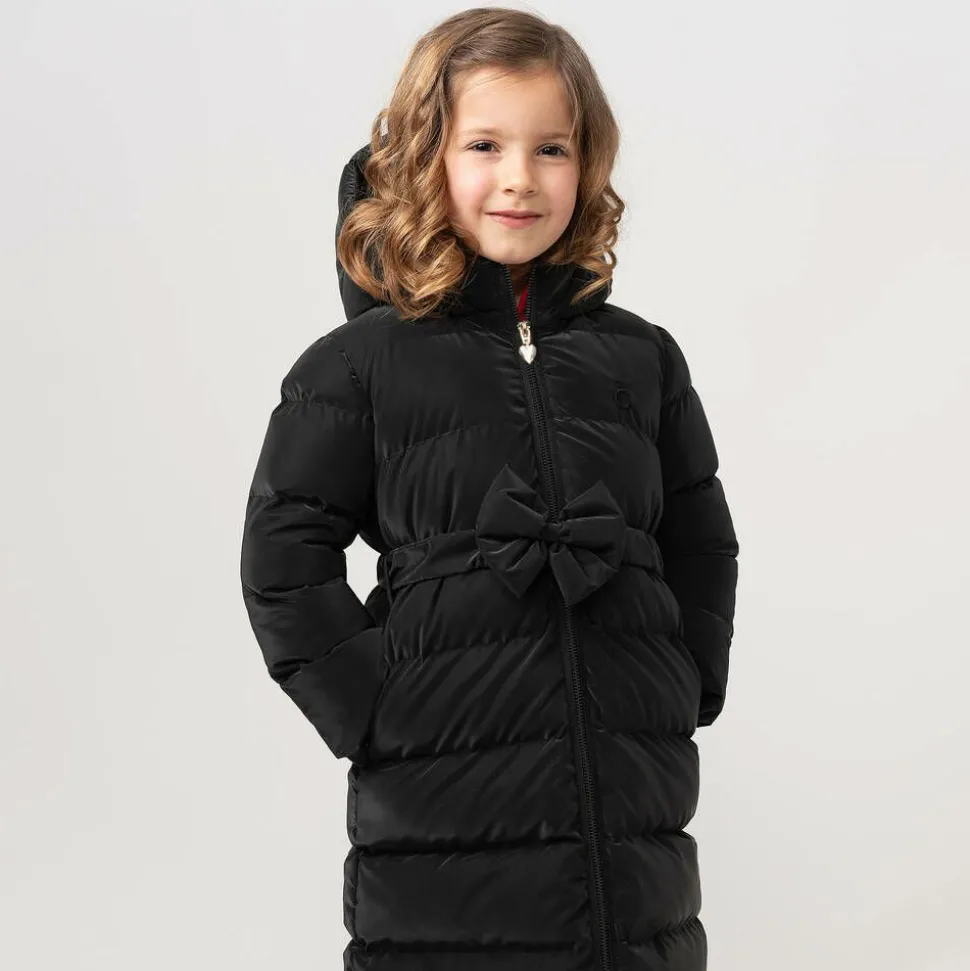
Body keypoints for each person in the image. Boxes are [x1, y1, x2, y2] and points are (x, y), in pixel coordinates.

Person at [239, 7, 739, 971]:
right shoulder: (358, 365)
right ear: (425, 156)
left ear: (588, 164)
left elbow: (701, 533)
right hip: (440, 800)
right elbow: (281, 556)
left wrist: (688, 676)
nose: (520, 177)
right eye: (484, 145)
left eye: (552, 148)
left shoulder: (642, 359)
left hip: (632, 799)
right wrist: (373, 706)